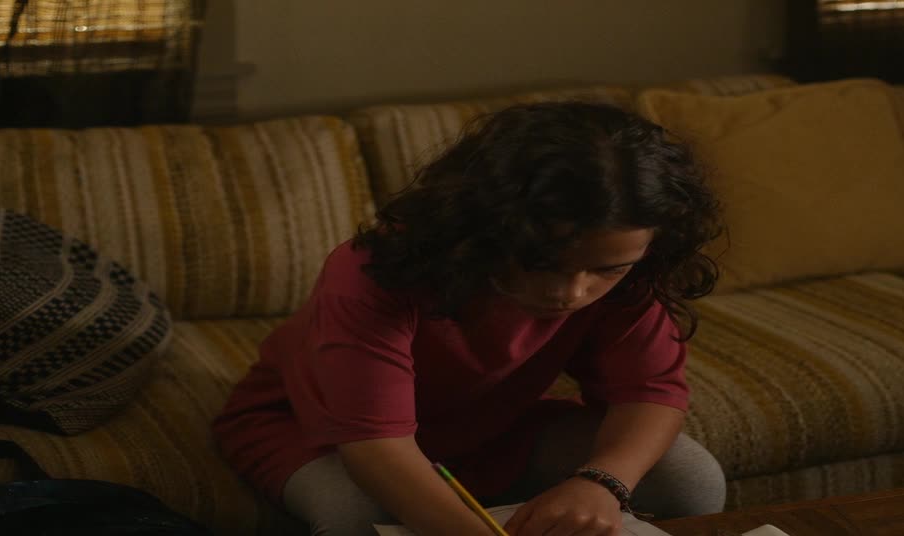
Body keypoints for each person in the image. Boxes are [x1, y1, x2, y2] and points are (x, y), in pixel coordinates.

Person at [212, 100, 727, 535]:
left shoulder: (633, 270)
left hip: (494, 430)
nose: (571, 294)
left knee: (690, 478)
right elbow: (376, 447)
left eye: (606, 270)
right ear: (485, 226)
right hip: (320, 433)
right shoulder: (373, 272)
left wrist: (601, 483)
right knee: (355, 518)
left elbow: (650, 392)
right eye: (541, 263)